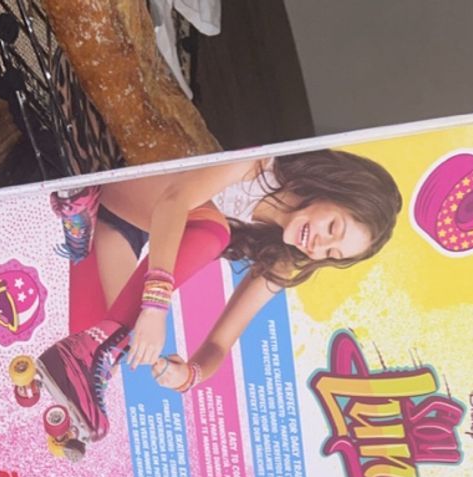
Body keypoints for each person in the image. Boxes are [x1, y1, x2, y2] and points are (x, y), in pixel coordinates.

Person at [38, 150, 402, 437]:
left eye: (331, 254)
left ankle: (78, 219)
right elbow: (173, 201)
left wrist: (189, 376)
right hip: (127, 180)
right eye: (333, 228)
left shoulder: (282, 259)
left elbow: (219, 345)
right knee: (213, 233)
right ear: (331, 188)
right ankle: (79, 205)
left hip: (117, 226)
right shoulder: (258, 164)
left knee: (93, 352)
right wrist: (155, 305)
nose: (319, 246)